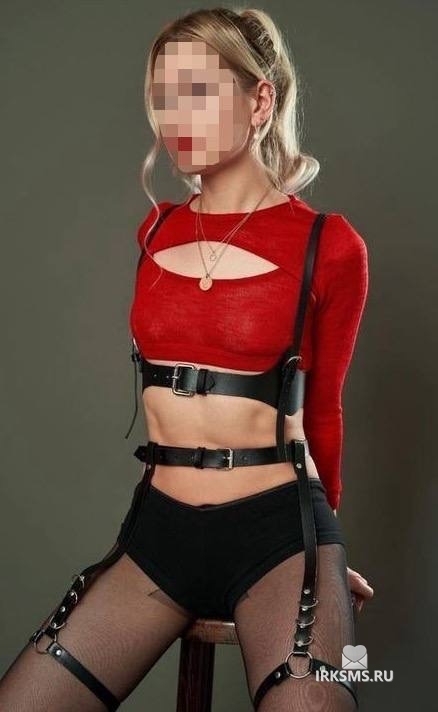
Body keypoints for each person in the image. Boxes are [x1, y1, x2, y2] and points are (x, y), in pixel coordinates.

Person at [0, 7, 374, 711]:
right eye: (164, 96)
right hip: (159, 533)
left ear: (259, 101)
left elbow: (323, 411)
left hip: (278, 536)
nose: (176, 116)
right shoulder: (156, 229)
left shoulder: (330, 245)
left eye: (198, 92)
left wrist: (327, 561)